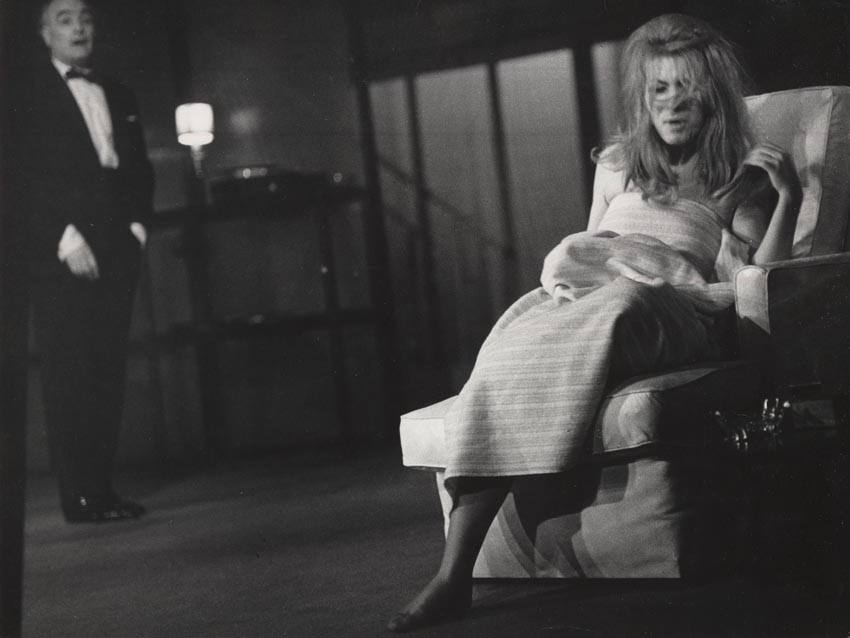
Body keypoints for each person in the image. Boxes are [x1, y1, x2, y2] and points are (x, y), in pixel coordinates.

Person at [388, 13, 801, 632]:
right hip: (595, 296)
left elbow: (760, 282)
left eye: (687, 87)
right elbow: (588, 248)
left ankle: (457, 571)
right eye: (659, 88)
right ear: (643, 95)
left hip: (670, 307)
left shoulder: (738, 179)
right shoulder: (616, 164)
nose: (672, 103)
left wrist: (788, 196)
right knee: (515, 339)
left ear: (712, 95)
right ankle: (454, 575)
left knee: (621, 303)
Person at [18, 0, 153, 522]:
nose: (79, 28)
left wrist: (137, 228)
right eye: (65, 19)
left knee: (107, 368)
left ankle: (101, 490)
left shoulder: (117, 91)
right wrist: (64, 238)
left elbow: (138, 168)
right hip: (62, 246)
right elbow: (20, 175)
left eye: (86, 18)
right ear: (44, 33)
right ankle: (78, 495)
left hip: (118, 241)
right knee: (70, 371)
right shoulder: (25, 96)